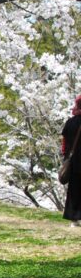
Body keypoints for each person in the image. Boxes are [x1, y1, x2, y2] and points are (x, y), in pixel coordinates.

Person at [62, 94, 81, 228]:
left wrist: (66, 156)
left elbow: (64, 144)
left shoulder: (70, 122)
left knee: (74, 189)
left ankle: (74, 219)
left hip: (75, 161)